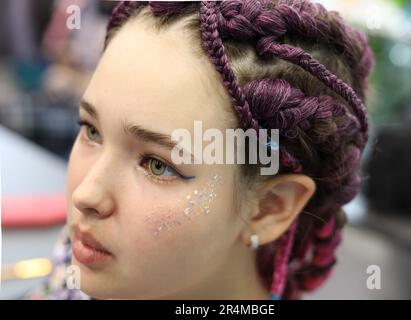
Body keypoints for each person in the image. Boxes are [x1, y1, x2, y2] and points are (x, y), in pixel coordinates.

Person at [29, 0, 374, 300]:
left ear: (269, 208)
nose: (86, 195)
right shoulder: (79, 258)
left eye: (157, 165)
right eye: (92, 130)